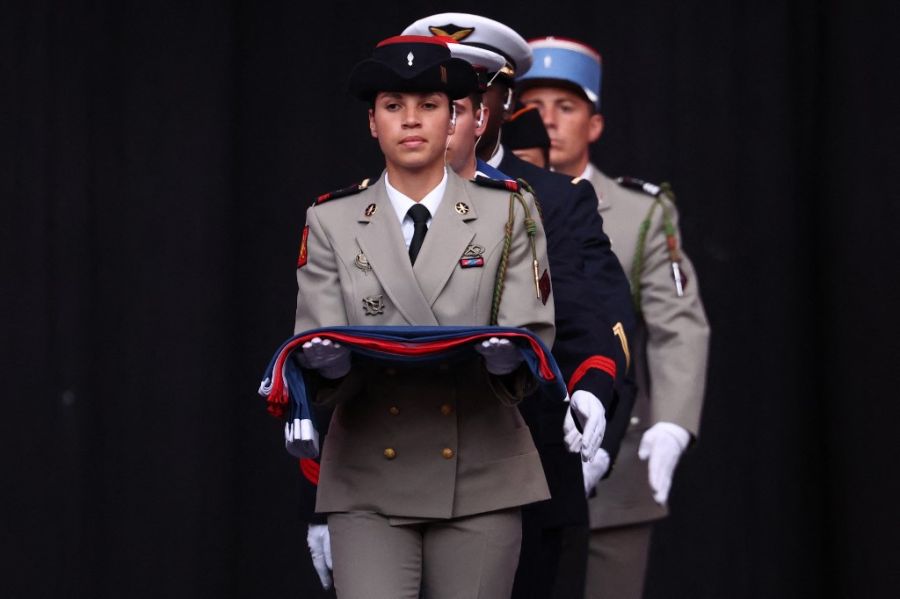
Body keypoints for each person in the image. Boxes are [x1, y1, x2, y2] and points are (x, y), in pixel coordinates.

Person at [291, 35, 604, 599]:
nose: (411, 121)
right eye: (393, 106)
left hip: (481, 471)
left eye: (431, 106)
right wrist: (329, 367)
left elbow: (531, 339)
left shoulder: (509, 210)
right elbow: (313, 354)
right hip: (368, 472)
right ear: (372, 122)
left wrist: (510, 358)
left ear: (465, 119)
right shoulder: (331, 219)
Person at [403, 15, 639, 599]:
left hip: (525, 470)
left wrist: (592, 404)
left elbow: (599, 319)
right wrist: (319, 501)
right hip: (399, 475)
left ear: (502, 102)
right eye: (440, 93)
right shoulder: (377, 198)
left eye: (473, 92)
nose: (456, 110)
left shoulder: (555, 200)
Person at [517, 36, 711, 599]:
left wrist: (672, 420)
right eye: (534, 106)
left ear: (594, 124)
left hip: (613, 454)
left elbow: (676, 321)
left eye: (567, 106)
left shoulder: (638, 211)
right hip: (511, 451)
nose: (548, 121)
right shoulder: (484, 198)